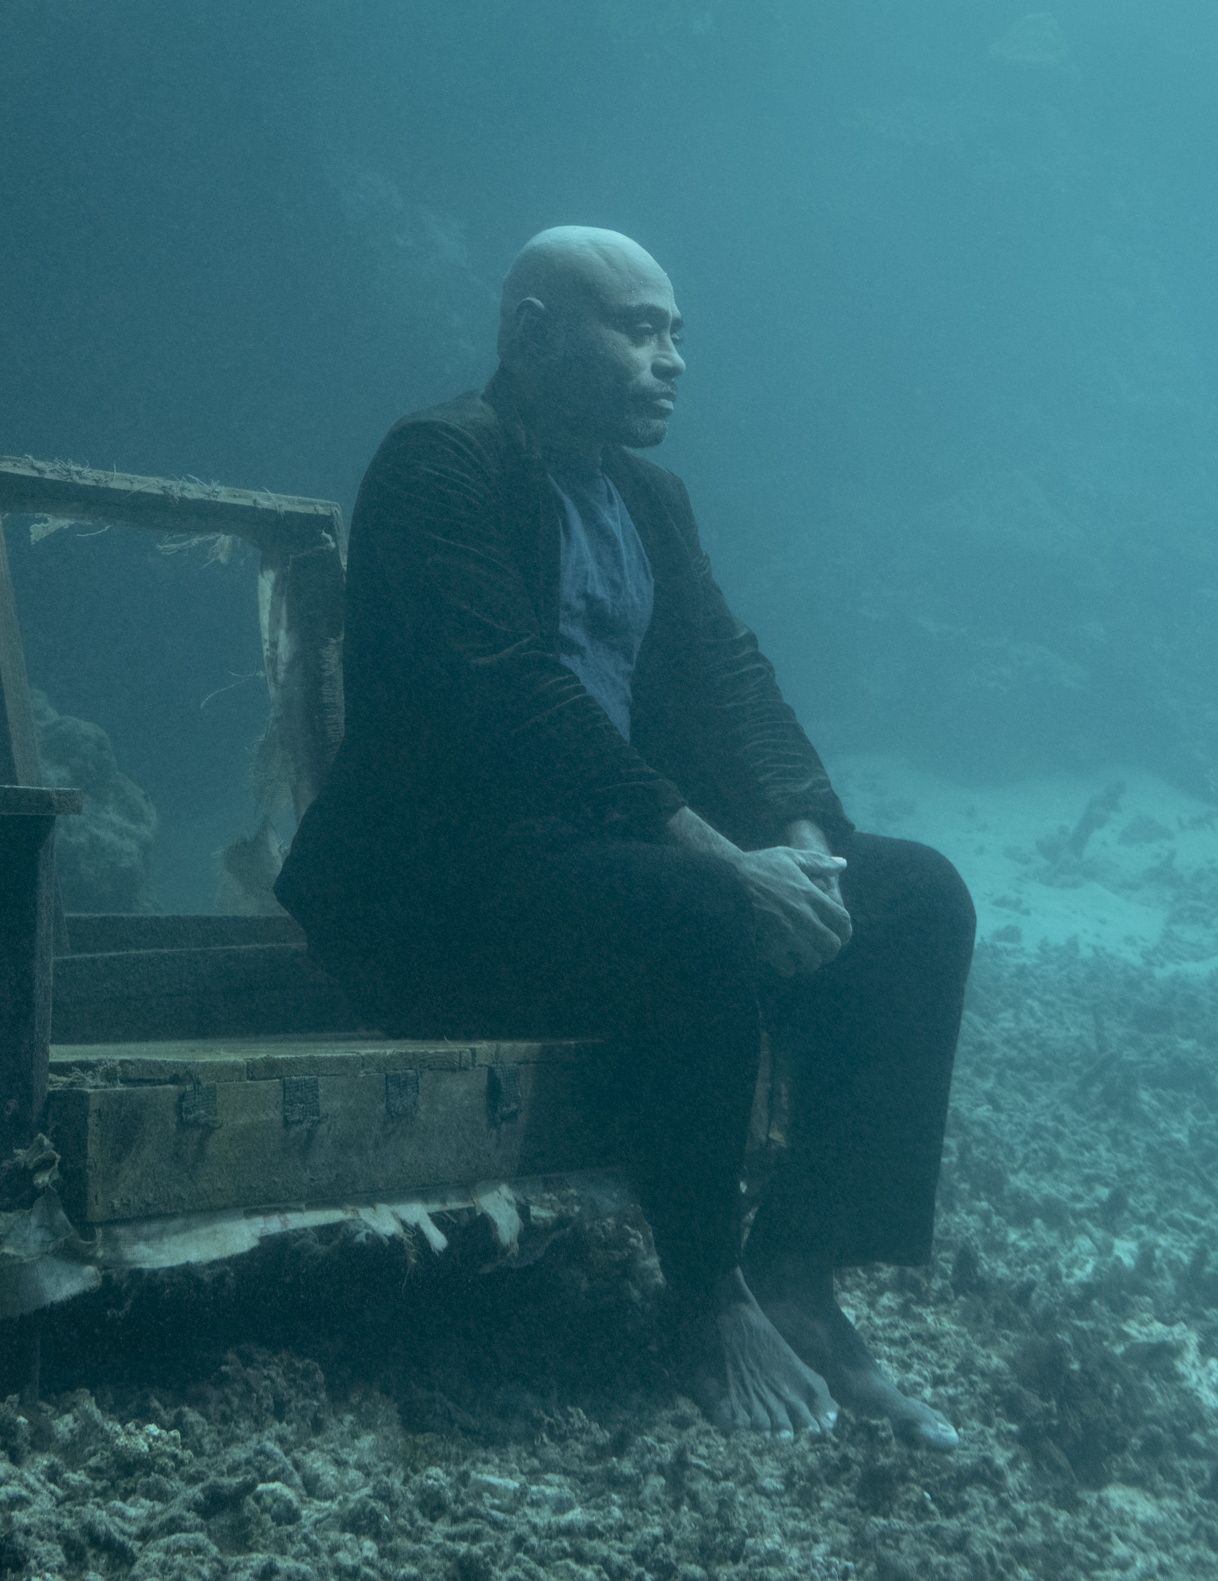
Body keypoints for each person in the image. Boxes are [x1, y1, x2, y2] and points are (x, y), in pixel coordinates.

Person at [276, 226, 975, 1443]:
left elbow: (727, 680)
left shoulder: (652, 497)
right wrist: (717, 856)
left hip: (598, 873)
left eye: (678, 335)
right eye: (637, 327)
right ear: (530, 331)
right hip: (442, 896)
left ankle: (803, 1274)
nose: (671, 361)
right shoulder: (436, 463)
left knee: (914, 895)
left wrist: (808, 847)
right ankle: (704, 1295)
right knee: (703, 906)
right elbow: (507, 695)